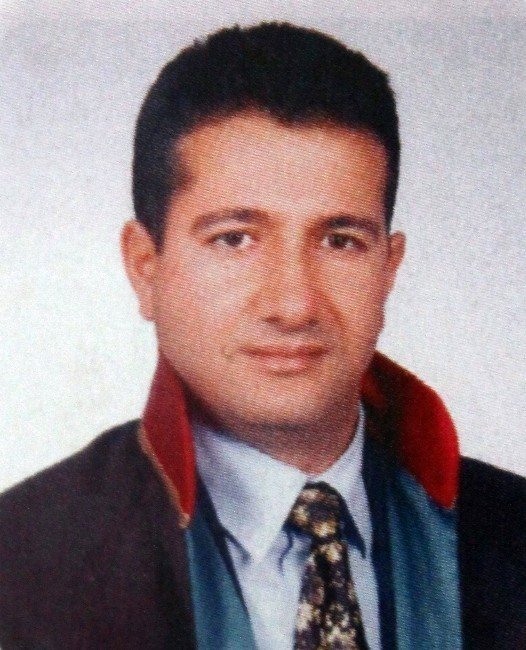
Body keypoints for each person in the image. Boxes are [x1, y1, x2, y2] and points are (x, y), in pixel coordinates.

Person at [0, 21, 525, 650]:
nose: (293, 304)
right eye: (235, 239)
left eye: (340, 241)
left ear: (388, 269)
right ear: (145, 268)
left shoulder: (512, 534)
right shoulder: (21, 565)